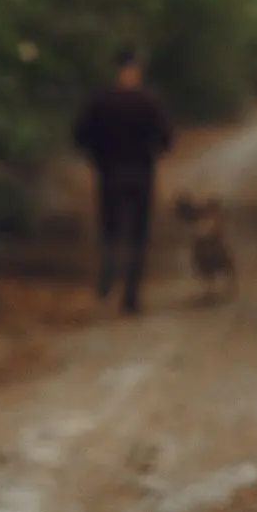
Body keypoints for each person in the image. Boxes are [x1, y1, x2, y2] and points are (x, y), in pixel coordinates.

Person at [72, 46, 174, 314]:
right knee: (138, 235)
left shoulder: (100, 101)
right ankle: (131, 295)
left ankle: (109, 272)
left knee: (110, 229)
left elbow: (80, 136)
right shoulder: (149, 101)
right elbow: (166, 140)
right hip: (141, 174)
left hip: (110, 174)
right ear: (137, 69)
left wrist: (97, 155)